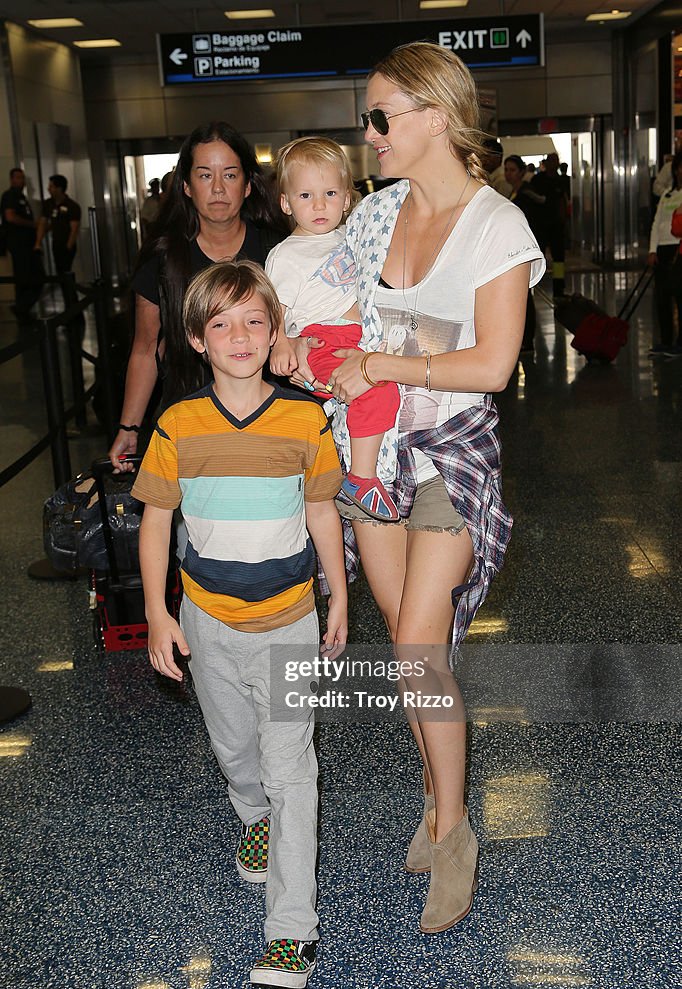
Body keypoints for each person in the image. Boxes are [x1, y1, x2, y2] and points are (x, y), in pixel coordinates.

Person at [272, 41, 544, 935]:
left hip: (451, 455)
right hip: (369, 454)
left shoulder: (496, 225)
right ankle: (435, 795)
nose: (370, 133)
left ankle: (457, 830)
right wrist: (296, 346)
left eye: (383, 116)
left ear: (434, 116)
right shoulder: (374, 215)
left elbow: (493, 365)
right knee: (407, 650)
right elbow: (331, 310)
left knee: (422, 646)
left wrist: (379, 359)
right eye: (370, 117)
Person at [132, 260, 347, 989]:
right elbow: (157, 520)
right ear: (195, 338)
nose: (240, 335)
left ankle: (293, 932)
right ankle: (250, 815)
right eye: (220, 323)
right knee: (234, 751)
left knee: (294, 771)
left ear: (276, 330)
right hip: (208, 623)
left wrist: (338, 596)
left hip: (290, 622)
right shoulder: (179, 425)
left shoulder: (304, 418)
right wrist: (157, 614)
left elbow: (321, 511)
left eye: (256, 320)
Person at [108, 122, 286, 471]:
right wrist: (129, 427)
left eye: (230, 175)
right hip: (189, 419)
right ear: (186, 186)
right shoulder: (164, 259)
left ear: (248, 185)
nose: (218, 188)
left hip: (272, 417)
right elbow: (146, 349)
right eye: (205, 176)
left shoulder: (281, 252)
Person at [266, 136, 401, 521]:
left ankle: (370, 469)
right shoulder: (286, 255)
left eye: (329, 193)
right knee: (378, 391)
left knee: (386, 393)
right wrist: (282, 344)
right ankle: (361, 476)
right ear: (286, 203)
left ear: (347, 198)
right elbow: (276, 309)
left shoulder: (351, 236)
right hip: (323, 340)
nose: (320, 205)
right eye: (306, 196)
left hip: (360, 338)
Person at [504, 155, 547, 351]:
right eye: (506, 169)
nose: (508, 174)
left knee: (525, 296)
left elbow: (534, 223)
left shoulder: (527, 193)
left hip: (526, 250)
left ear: (522, 171)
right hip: (518, 249)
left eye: (512, 170)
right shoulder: (514, 192)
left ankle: (527, 339)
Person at [647, 151, 682, 357]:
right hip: (662, 250)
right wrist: (652, 250)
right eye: (678, 167)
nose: (680, 171)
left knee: (679, 296)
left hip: (678, 249)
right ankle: (666, 341)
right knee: (662, 297)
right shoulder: (667, 194)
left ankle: (680, 342)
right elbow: (656, 223)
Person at [0, 167, 43, 324]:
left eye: (22, 178)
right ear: (12, 179)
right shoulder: (9, 196)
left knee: (33, 276)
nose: (21, 181)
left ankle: (22, 308)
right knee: (26, 277)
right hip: (19, 244)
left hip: (28, 243)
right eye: (18, 178)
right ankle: (21, 308)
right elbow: (10, 217)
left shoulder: (21, 197)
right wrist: (32, 225)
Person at [531, 152, 568, 296]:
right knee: (537, 255)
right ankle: (534, 286)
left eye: (557, 160)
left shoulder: (560, 180)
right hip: (540, 225)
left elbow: (562, 201)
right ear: (547, 163)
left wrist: (564, 220)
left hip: (556, 225)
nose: (555, 163)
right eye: (552, 160)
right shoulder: (538, 179)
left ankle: (559, 288)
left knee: (559, 258)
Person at [34, 174, 81, 274]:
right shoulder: (48, 204)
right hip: (56, 242)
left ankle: (69, 289)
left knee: (66, 270)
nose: (48, 189)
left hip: (67, 242)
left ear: (59, 189)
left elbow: (74, 229)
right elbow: (43, 223)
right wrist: (38, 243)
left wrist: (68, 247)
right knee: (59, 270)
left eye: (51, 186)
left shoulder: (72, 206)